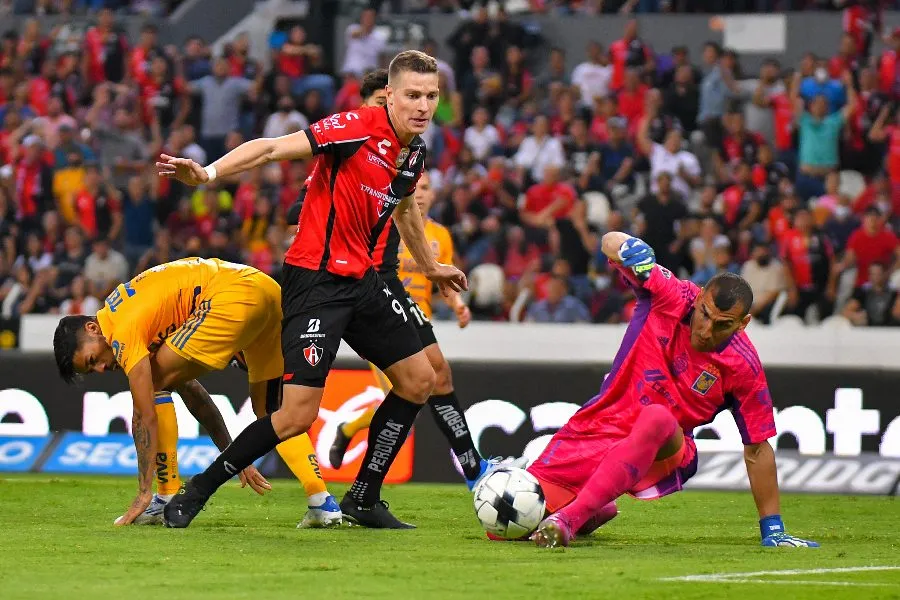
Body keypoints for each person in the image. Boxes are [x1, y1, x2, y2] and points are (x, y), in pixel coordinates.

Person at [157, 50, 466, 530]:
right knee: (297, 417)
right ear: (390, 94)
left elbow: (404, 210)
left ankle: (364, 497)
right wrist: (209, 173)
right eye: (412, 95)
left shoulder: (415, 151)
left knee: (419, 380)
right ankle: (198, 490)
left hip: (362, 280)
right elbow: (270, 148)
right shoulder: (354, 126)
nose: (422, 106)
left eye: (431, 96)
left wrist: (431, 267)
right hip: (315, 281)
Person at [524, 231, 818, 549]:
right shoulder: (671, 294)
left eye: (723, 325)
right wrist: (628, 247)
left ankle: (567, 520)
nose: (706, 330)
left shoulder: (743, 367)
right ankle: (595, 508)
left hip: (667, 448)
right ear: (700, 295)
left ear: (742, 324)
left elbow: (757, 449)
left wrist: (772, 529)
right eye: (705, 314)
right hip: (600, 425)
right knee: (508, 521)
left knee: (657, 418)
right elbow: (608, 241)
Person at [52, 257, 342, 528]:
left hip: (228, 299)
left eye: (93, 360)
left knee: (153, 385)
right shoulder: (135, 314)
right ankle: (321, 502)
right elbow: (197, 397)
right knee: (276, 414)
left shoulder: (122, 332)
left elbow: (144, 415)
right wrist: (236, 456)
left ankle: (163, 495)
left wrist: (143, 491)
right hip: (265, 289)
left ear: (92, 328)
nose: (102, 369)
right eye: (92, 371)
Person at [330, 171, 483, 486]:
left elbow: (443, 279)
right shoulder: (388, 225)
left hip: (418, 314)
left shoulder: (440, 236)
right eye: (418, 188)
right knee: (404, 400)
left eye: (426, 188)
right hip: (384, 311)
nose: (422, 194)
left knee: (430, 383)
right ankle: (355, 452)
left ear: (434, 194)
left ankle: (472, 468)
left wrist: (457, 306)